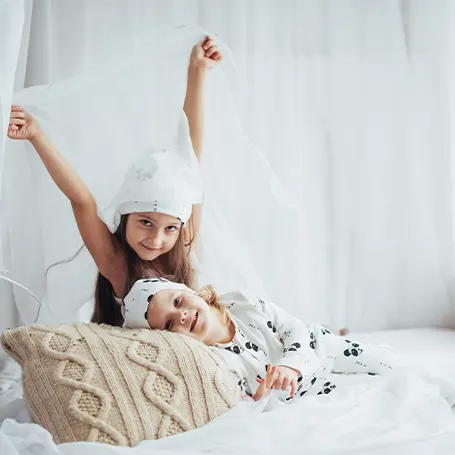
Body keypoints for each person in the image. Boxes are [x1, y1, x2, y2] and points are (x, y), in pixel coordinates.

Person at [7, 36, 223, 326]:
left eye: (170, 227)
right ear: (126, 217)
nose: (157, 240)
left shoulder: (183, 245)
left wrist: (197, 70)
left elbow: (189, 159)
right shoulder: (117, 264)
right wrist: (36, 135)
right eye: (145, 222)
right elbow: (81, 199)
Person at [119, 277, 398, 402]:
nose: (181, 316)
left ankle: (345, 336)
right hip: (304, 392)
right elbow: (243, 400)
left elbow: (293, 327)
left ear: (190, 291)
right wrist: (260, 400)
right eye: (168, 324)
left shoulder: (242, 304)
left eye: (178, 301)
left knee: (387, 365)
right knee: (363, 397)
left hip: (317, 348)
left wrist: (290, 365)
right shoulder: (214, 362)